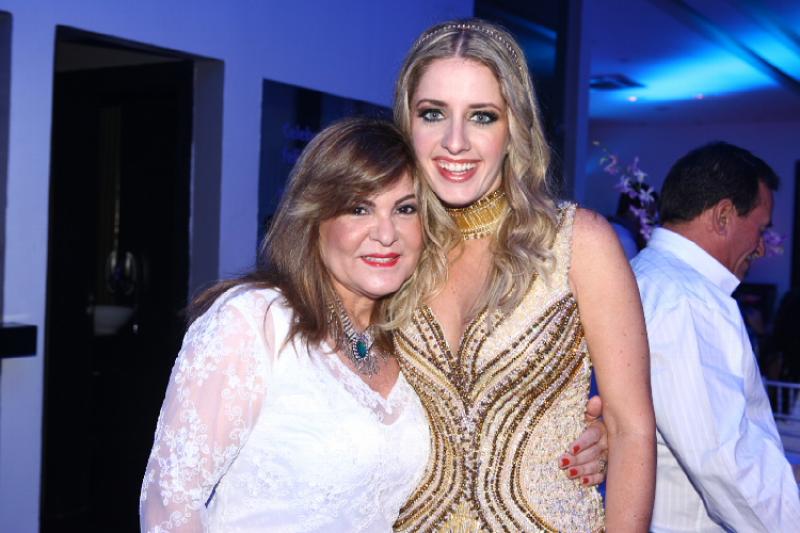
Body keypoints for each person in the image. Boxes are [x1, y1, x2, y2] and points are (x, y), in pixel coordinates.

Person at [391, 19, 655, 532]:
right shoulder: (389, 247)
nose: (455, 142)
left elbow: (631, 430)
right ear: (407, 122)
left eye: (482, 116)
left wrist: (600, 440)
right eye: (433, 113)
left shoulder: (578, 242)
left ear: (514, 127)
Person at [139, 118, 451, 531]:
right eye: (359, 208)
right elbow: (170, 505)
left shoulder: (410, 339)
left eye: (405, 209)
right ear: (314, 218)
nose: (386, 233)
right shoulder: (255, 322)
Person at [632, 141, 800, 532]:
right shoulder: (687, 300)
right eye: (760, 229)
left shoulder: (643, 275)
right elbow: (725, 464)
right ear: (723, 216)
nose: (761, 247)